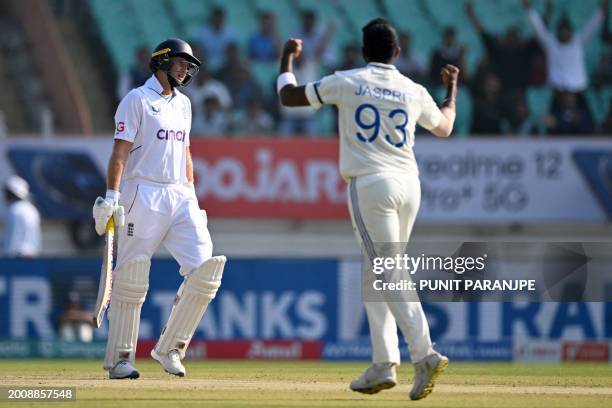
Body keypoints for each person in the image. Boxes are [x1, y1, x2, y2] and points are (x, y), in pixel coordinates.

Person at [277, 18, 458, 401]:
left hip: (372, 183)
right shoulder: (412, 88)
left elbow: (290, 98)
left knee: (387, 270)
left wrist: (286, 61)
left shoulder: (348, 79)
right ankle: (383, 362)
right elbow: (444, 127)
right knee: (377, 272)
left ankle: (424, 354)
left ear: (363, 52)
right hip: (410, 185)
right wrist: (451, 92)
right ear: (398, 52)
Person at [92, 38, 226, 380]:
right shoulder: (136, 99)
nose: (185, 69)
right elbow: (120, 151)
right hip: (142, 192)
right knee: (133, 274)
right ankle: (121, 359)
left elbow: (186, 153)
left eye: (188, 64)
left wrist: (192, 195)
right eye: (180, 63)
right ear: (162, 63)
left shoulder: (185, 105)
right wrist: (111, 196)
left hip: (179, 193)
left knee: (205, 269)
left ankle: (170, 349)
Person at [3, 175, 41, 257]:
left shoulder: (15, 210)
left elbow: (13, 236)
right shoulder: (31, 209)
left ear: (12, 193)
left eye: (6, 192)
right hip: (32, 256)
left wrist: (7, 257)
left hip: (18, 257)